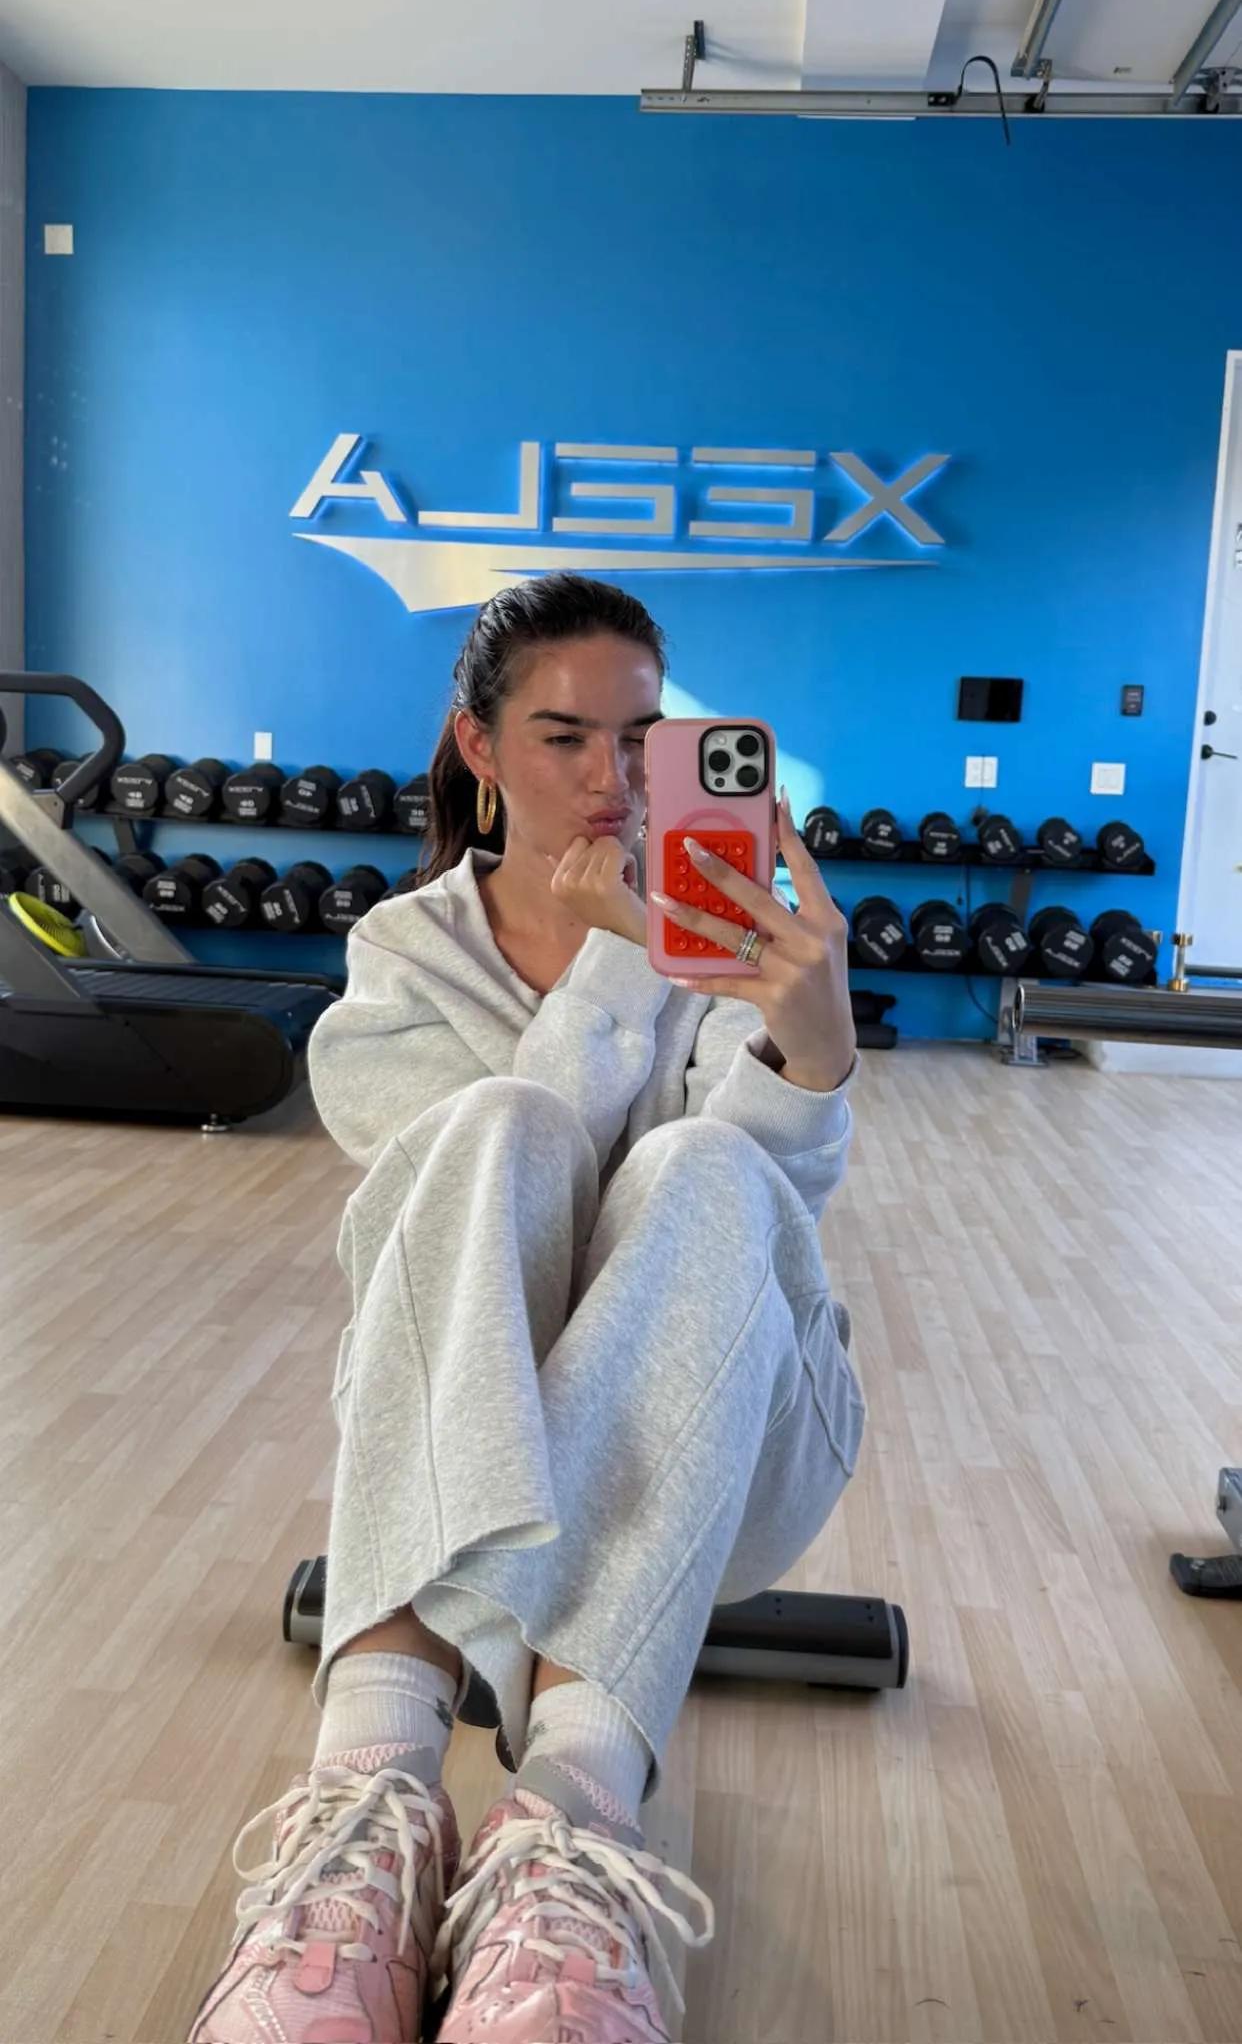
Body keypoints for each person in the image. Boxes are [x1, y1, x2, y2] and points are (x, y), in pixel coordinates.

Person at [189, 572, 863, 2044]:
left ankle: (563, 1824)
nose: (614, 779)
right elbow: (500, 1207)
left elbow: (749, 1231)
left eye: (642, 738)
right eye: (564, 737)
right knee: (496, 1124)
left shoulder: (735, 932)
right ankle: (387, 1803)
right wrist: (620, 952)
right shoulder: (404, 958)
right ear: (479, 748)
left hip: (724, 1452)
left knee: (704, 1162)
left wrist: (811, 1053)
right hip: (487, 1439)